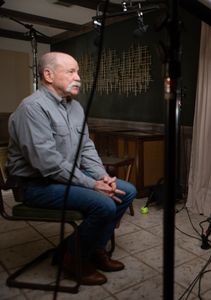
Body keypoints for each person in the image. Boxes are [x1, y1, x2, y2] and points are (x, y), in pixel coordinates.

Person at [7, 51, 137, 285]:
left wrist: (103, 176)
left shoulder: (75, 108)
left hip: (64, 178)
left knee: (127, 191)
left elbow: (86, 148)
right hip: (36, 184)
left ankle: (93, 248)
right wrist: (92, 184)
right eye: (71, 71)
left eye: (78, 71)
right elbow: (48, 164)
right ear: (48, 74)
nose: (79, 77)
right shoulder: (32, 109)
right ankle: (73, 259)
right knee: (104, 204)